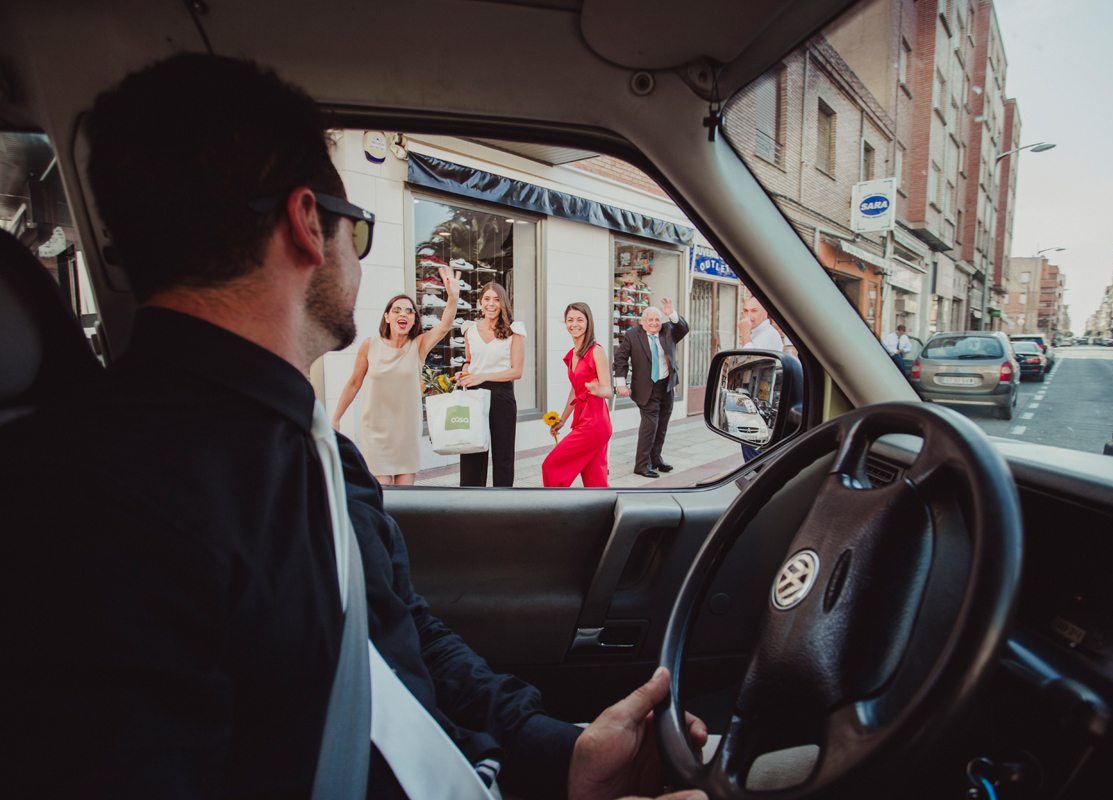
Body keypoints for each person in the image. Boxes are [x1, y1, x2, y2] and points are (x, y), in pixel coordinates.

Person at [0, 53, 708, 800]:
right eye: (358, 231)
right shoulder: (99, 515)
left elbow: (403, 641)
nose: (361, 265)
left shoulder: (308, 448)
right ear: (309, 224)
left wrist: (559, 756)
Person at [330, 265, 460, 485]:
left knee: (404, 497)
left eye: (409, 311)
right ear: (387, 317)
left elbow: (445, 326)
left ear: (413, 321)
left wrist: (453, 297)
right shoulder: (369, 345)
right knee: (384, 493)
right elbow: (353, 383)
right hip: (375, 429)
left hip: (406, 431)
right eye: (397, 310)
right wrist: (335, 418)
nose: (404, 314)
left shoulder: (418, 346)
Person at [455, 282, 525, 487]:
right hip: (474, 395)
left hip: (501, 395)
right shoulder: (469, 329)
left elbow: (517, 372)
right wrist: (464, 372)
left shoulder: (514, 331)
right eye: (487, 299)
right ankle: (472, 502)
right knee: (472, 452)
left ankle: (502, 504)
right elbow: (469, 361)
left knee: (503, 455)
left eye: (496, 299)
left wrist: (482, 376)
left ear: (503, 303)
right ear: (480, 302)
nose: (491, 304)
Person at [613, 300, 689, 479]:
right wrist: (621, 384)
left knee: (661, 425)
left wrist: (672, 314)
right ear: (642, 322)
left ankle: (656, 460)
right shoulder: (633, 335)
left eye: (657, 319)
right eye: (650, 320)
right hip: (646, 388)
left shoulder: (668, 330)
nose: (654, 323)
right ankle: (641, 465)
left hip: (666, 385)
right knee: (650, 426)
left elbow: (684, 329)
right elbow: (620, 359)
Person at [543, 302, 614, 487]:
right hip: (583, 418)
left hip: (595, 421)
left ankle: (554, 511)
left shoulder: (596, 351)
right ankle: (602, 514)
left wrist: (599, 390)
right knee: (595, 481)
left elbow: (608, 390)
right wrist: (563, 420)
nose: (574, 324)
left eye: (580, 320)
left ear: (588, 322)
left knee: (551, 466)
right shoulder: (573, 354)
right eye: (570, 320)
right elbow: (575, 390)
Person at [737, 295, 784, 462]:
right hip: (757, 400)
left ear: (765, 312)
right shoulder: (757, 333)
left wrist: (744, 333)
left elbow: (750, 358)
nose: (749, 316)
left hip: (763, 400)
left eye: (754, 311)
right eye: (746, 311)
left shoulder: (768, 333)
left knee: (754, 453)